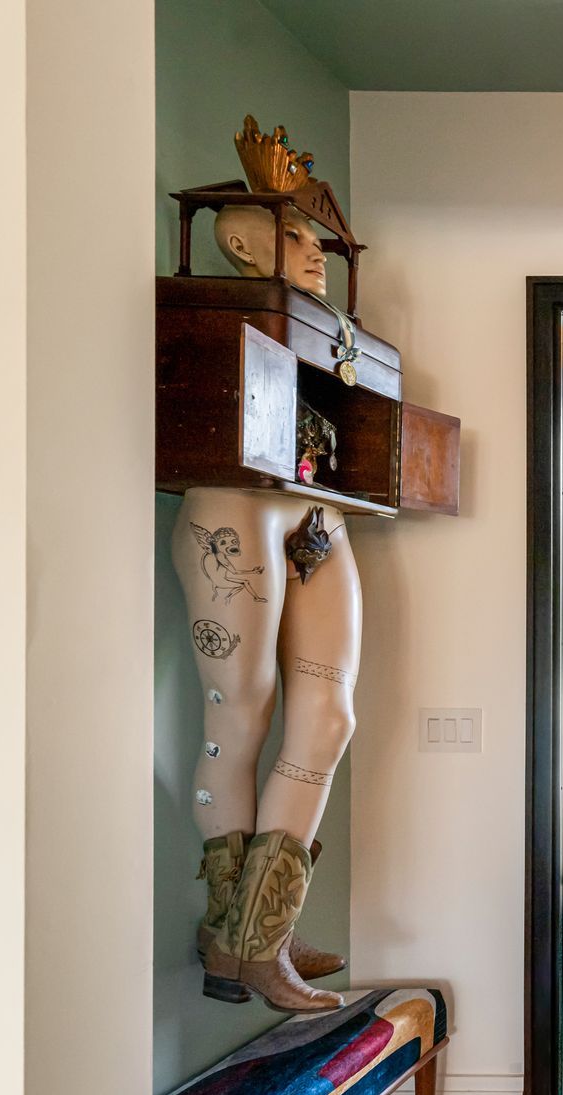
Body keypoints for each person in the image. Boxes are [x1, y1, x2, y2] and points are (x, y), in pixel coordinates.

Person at [178, 199, 358, 1014]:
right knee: (240, 716)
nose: (315, 251)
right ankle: (248, 943)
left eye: (318, 239)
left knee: (329, 717)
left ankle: (256, 935)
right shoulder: (224, 317)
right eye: (292, 234)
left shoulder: (321, 328)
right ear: (243, 243)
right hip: (238, 503)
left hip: (314, 509)